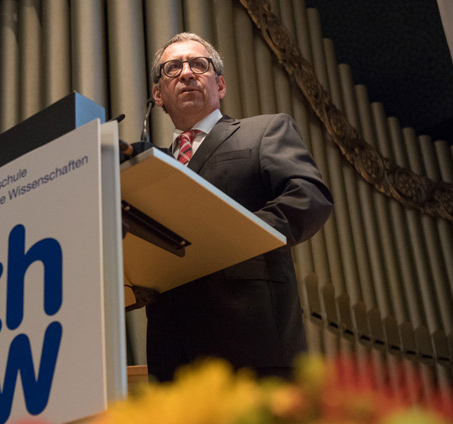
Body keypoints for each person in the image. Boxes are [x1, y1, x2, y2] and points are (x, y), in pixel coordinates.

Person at [142, 32, 333, 382]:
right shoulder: (149, 167)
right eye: (173, 68)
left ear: (221, 85)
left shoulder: (263, 131)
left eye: (199, 64)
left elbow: (309, 197)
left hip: (253, 342)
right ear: (158, 95)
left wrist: (233, 237)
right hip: (172, 359)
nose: (187, 73)